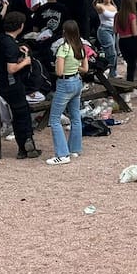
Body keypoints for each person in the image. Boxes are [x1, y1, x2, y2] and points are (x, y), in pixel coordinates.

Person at [0, 13, 42, 159]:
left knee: (16, 116)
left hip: (1, 83)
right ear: (21, 26)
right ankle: (28, 141)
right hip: (12, 83)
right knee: (22, 114)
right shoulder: (10, 44)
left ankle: (22, 147)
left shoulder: (1, 39)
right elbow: (11, 68)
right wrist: (26, 62)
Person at [46, 20, 88, 165]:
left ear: (64, 32)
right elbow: (85, 69)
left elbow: (58, 71)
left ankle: (62, 154)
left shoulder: (63, 48)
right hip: (77, 81)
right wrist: (74, 67)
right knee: (75, 116)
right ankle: (74, 149)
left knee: (55, 119)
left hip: (65, 83)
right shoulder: (80, 47)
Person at [115, 0, 137, 83]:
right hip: (131, 40)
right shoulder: (132, 16)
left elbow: (115, 30)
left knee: (129, 62)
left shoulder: (117, 15)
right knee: (132, 64)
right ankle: (130, 84)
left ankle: (129, 82)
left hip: (121, 40)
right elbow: (134, 32)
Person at [94, 0, 118, 78]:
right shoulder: (100, 6)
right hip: (104, 29)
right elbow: (94, 5)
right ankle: (108, 70)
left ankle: (112, 71)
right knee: (111, 52)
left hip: (113, 30)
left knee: (113, 52)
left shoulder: (114, 6)